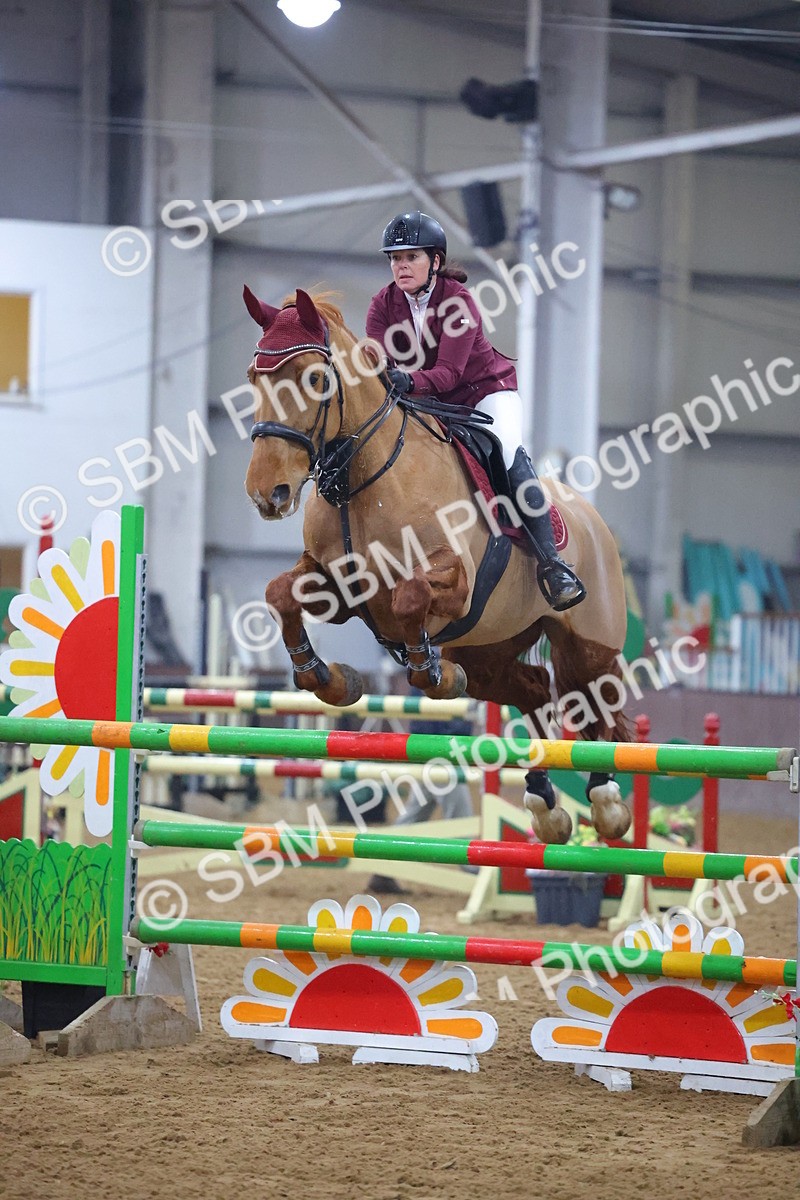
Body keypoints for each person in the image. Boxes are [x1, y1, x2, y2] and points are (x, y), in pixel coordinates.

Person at [365, 210, 585, 612]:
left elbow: (449, 374)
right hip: (428, 401)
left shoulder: (459, 302)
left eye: (411, 257)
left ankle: (553, 563)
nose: (400, 267)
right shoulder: (383, 304)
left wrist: (406, 381)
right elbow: (379, 364)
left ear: (435, 261)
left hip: (483, 393)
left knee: (506, 455)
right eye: (395, 259)